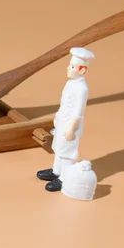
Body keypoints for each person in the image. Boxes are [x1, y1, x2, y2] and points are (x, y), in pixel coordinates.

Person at [37, 47, 95, 192]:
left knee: (68, 152)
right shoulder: (70, 83)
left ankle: (65, 178)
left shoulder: (82, 89)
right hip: (63, 121)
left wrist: (71, 129)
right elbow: (64, 103)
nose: (68, 68)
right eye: (69, 65)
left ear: (82, 70)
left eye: (72, 66)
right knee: (59, 147)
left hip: (70, 125)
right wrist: (58, 118)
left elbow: (78, 112)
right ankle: (56, 171)